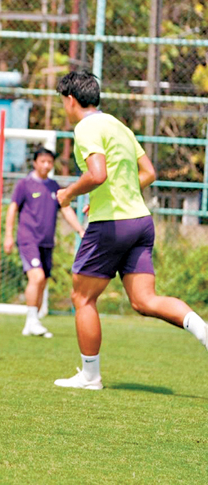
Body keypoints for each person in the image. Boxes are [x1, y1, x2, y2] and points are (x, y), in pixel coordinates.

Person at [54, 70, 208, 389]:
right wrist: (111, 195)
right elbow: (148, 172)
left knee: (82, 297)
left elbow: (97, 174)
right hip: (140, 221)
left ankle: (90, 376)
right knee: (144, 301)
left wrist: (69, 193)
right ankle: (203, 331)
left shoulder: (86, 127)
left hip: (111, 225)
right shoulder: (117, 125)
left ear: (70, 100)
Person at [3, 146, 85, 338]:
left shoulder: (54, 187)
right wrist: (8, 235)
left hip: (47, 242)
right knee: (37, 277)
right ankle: (33, 320)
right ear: (35, 163)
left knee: (42, 282)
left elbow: (66, 209)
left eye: (50, 162)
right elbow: (12, 209)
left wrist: (80, 230)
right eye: (43, 161)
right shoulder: (25, 184)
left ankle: (31, 323)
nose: (47, 165)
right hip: (28, 239)